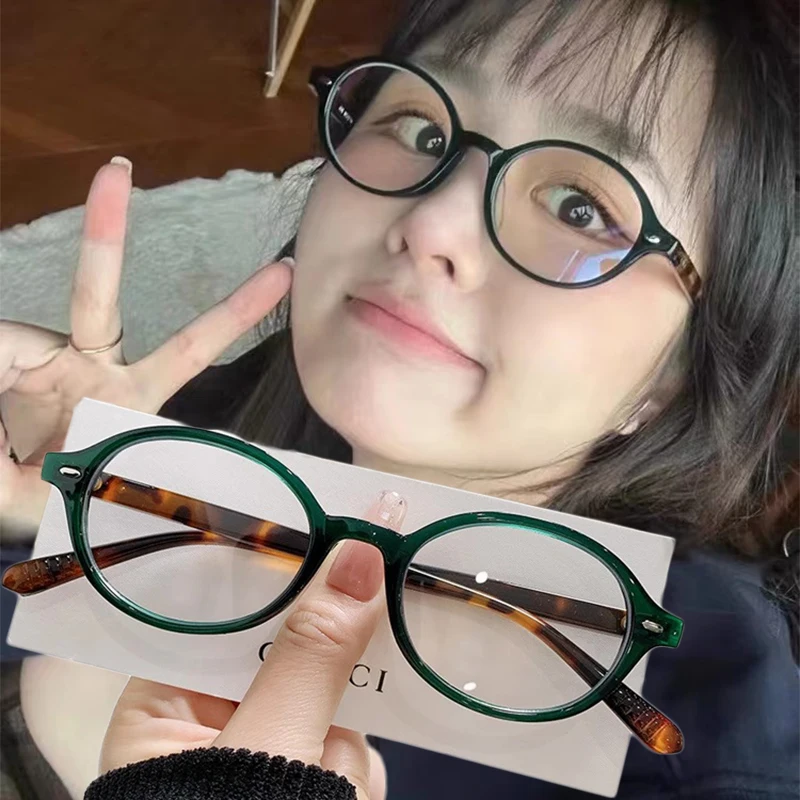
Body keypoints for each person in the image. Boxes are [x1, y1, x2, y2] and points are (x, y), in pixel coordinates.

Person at [1, 0, 797, 798]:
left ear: (680, 372)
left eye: (580, 209)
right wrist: (40, 513)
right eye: (423, 130)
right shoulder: (214, 425)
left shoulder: (707, 733)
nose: (431, 223)